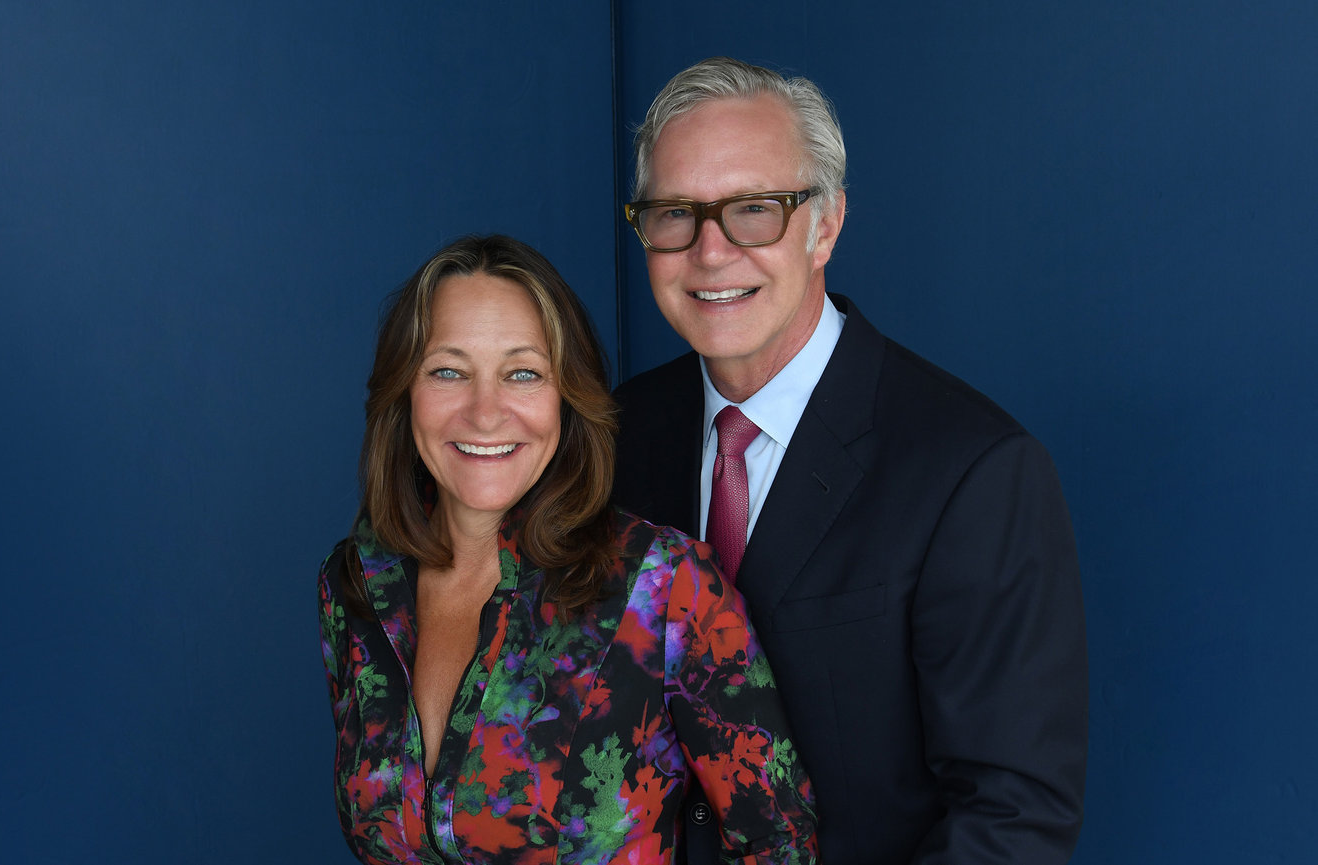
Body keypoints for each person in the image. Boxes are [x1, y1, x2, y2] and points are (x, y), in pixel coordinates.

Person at [612, 57, 1088, 865]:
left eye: (754, 209)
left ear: (825, 224)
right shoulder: (611, 435)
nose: (710, 250)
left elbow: (1013, 817)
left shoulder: (972, 471)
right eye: (674, 213)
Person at [317, 234, 818, 864]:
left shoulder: (663, 588)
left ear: (565, 396)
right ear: (404, 392)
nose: (485, 412)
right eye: (448, 370)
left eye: (522, 372)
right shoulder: (357, 585)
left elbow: (779, 844)